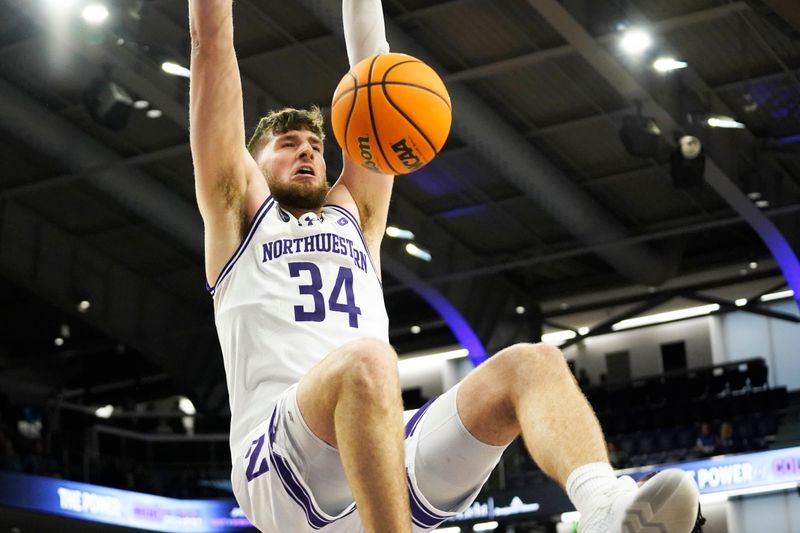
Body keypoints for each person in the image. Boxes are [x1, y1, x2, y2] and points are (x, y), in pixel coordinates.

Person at [188, 1, 700, 532]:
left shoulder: (355, 215)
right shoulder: (237, 215)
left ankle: (606, 509)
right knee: (369, 362)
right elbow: (212, 50)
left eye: (316, 144)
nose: (307, 153)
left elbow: (373, 70)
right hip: (279, 462)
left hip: (379, 455)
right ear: (251, 161)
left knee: (534, 363)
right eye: (287, 144)